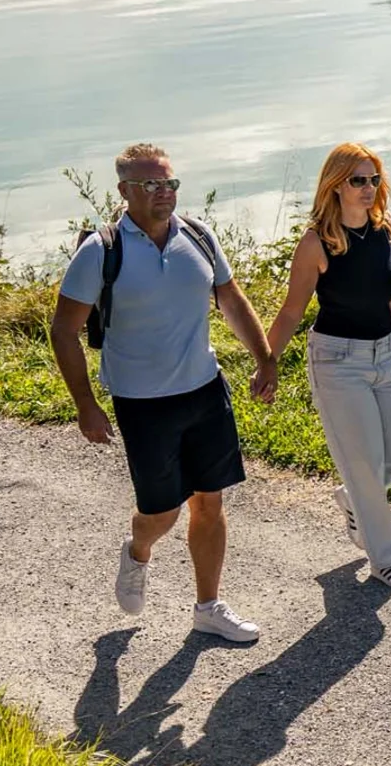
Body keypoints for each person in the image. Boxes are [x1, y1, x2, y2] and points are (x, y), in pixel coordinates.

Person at [51, 142, 277, 642]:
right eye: (151, 185)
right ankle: (138, 551)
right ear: (125, 191)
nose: (164, 194)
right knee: (162, 512)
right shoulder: (102, 250)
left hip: (204, 389)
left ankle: (208, 606)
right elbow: (64, 330)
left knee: (210, 503)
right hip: (143, 404)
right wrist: (85, 405)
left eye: (170, 183)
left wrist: (265, 358)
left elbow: (232, 300)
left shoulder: (197, 236)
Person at [263, 144, 391, 591]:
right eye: (358, 180)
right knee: (363, 462)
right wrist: (267, 361)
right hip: (338, 361)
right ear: (335, 186)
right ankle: (388, 559)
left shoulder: (384, 230)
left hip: (387, 355)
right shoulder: (316, 242)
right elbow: (291, 312)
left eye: (373, 179)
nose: (368, 188)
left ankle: (356, 496)